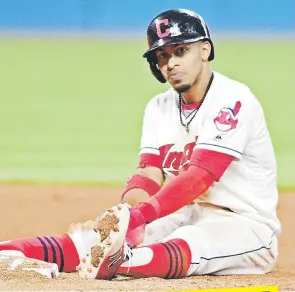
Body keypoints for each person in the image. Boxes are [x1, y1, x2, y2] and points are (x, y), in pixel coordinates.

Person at [0, 9, 280, 281]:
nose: (171, 63)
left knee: (189, 240)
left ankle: (121, 262)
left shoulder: (232, 100)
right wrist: (123, 219)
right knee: (92, 240)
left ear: (205, 50)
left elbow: (199, 177)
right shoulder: (158, 107)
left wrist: (141, 216)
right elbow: (148, 174)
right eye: (162, 56)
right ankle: (8, 250)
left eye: (180, 50)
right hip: (183, 212)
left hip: (245, 225)